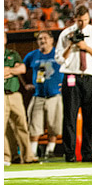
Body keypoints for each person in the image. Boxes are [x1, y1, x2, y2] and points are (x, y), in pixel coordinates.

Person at [55, 5, 92, 162]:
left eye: (85, 20)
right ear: (74, 19)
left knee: (91, 116)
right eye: (79, 21)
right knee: (69, 116)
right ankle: (69, 153)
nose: (82, 24)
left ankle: (88, 152)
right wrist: (71, 45)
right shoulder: (66, 34)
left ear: (89, 18)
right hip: (72, 76)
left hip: (90, 77)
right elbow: (59, 59)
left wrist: (86, 48)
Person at [23, 30, 63, 160]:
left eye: (45, 38)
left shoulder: (58, 54)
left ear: (52, 40)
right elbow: (21, 68)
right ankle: (33, 152)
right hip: (38, 95)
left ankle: (49, 152)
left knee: (54, 125)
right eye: (40, 39)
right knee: (34, 124)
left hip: (55, 95)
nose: (43, 41)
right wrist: (26, 84)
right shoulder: (32, 55)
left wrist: (65, 84)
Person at [5, 33, 37, 165]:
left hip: (14, 94)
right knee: (2, 128)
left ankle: (27, 156)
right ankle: (6, 157)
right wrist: (13, 70)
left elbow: (22, 69)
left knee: (22, 125)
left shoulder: (13, 54)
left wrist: (7, 70)